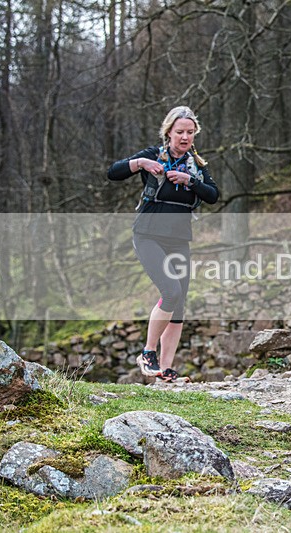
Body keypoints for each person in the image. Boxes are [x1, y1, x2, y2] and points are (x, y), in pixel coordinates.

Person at [108, 106, 219, 383]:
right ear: (168, 132)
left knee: (179, 302)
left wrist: (190, 181)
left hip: (180, 239)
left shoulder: (198, 166)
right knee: (170, 291)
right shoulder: (152, 155)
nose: (185, 137)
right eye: (180, 132)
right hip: (148, 235)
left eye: (190, 133)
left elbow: (213, 195)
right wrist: (141, 165)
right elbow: (114, 172)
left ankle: (165, 371)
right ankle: (148, 352)